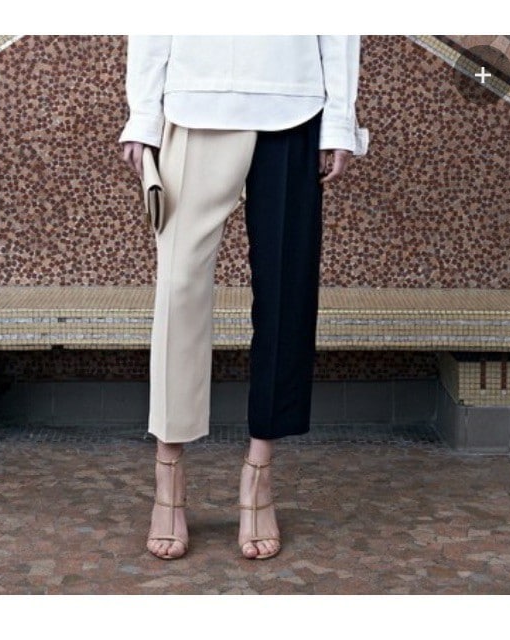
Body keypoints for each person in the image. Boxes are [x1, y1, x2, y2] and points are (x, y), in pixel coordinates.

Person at [120, 35, 369, 560]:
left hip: (295, 105)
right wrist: (143, 116)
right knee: (178, 292)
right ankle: (168, 474)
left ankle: (259, 474)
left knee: (286, 294)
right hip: (194, 102)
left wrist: (339, 121)